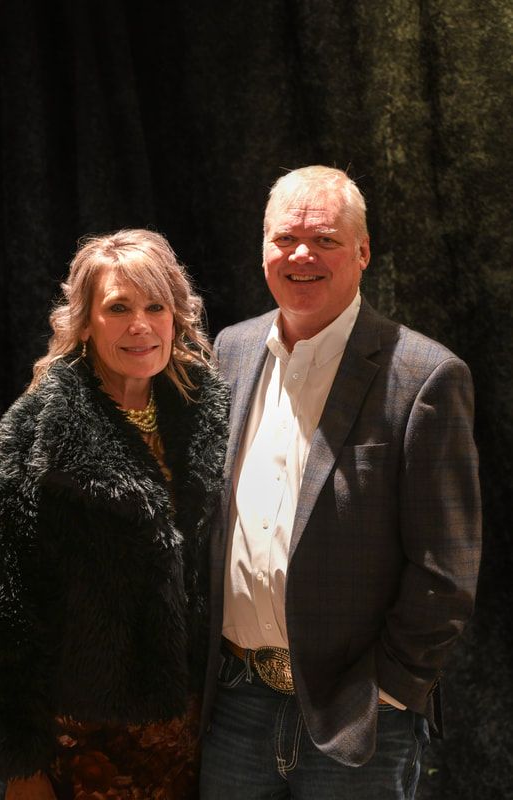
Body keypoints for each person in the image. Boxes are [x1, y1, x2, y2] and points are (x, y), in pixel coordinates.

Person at [199, 166, 481, 799]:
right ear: (263, 249)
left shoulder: (425, 378)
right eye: (284, 238)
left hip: (355, 719)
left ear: (363, 252)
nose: (301, 254)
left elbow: (447, 568)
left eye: (324, 239)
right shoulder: (230, 352)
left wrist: (389, 689)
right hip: (234, 706)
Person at [0, 229, 228, 800]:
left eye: (155, 306)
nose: (141, 324)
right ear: (84, 322)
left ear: (176, 315)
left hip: (200, 734)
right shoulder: (31, 437)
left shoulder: (213, 412)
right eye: (118, 308)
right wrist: (22, 766)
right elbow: (1, 616)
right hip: (84, 742)